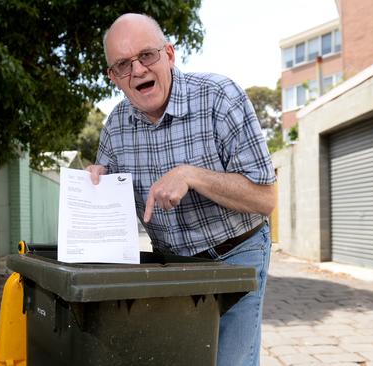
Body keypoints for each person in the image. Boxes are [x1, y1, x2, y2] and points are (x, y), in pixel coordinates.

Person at [86, 13, 276, 366]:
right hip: (171, 264)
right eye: (123, 65)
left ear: (169, 55)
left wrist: (193, 176)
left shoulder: (221, 98)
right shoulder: (115, 127)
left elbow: (265, 199)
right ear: (114, 78)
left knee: (229, 361)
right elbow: (108, 208)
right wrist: (95, 183)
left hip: (236, 253)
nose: (138, 70)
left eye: (147, 55)